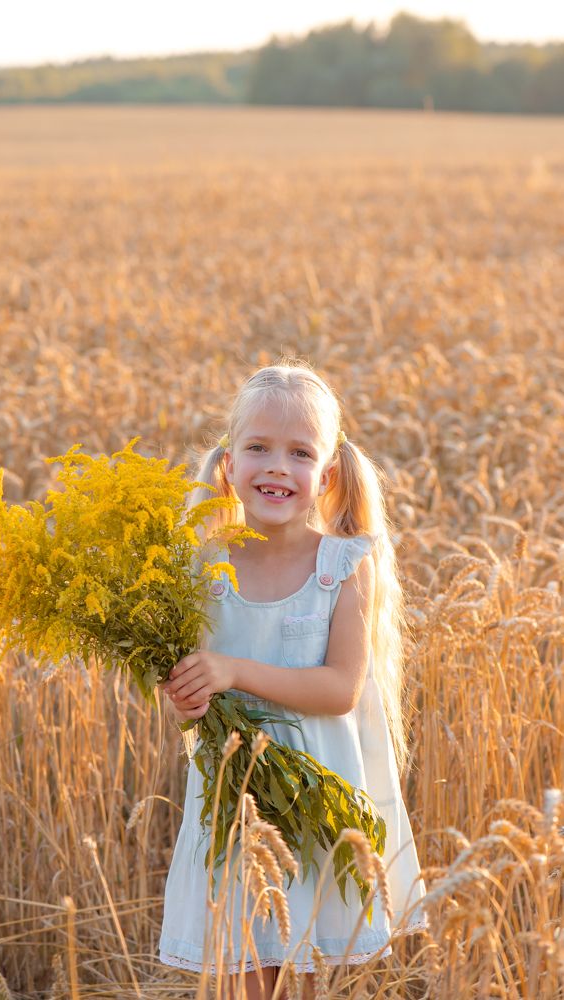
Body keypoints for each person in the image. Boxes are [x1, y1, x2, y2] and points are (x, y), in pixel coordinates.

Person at [158, 360, 427, 998]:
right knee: (243, 975)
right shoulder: (201, 567)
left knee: (297, 979)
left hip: (312, 804)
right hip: (236, 800)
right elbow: (193, 698)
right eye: (258, 448)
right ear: (228, 465)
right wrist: (189, 693)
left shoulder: (345, 565)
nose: (277, 466)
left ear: (327, 474)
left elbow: (340, 690)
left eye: (299, 452)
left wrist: (229, 672)